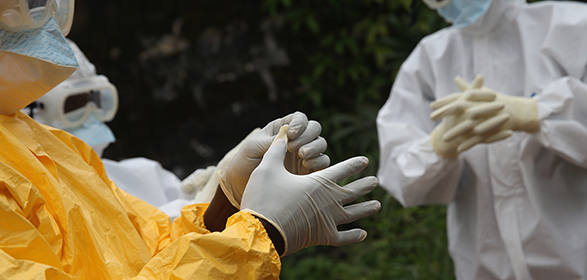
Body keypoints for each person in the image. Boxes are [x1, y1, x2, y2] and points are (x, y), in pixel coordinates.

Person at [0, 0, 381, 278]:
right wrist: (259, 234)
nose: (43, 22)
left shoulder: (44, 140)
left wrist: (227, 203)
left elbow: (147, 247)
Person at [377, 0, 587, 279]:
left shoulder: (573, 27)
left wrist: (536, 113)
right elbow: (399, 175)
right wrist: (438, 147)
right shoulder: (429, 60)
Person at [26, 38, 238, 219]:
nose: (90, 117)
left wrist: (209, 194)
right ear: (28, 112)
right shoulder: (27, 203)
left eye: (96, 100)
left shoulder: (142, 175)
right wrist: (207, 207)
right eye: (73, 105)